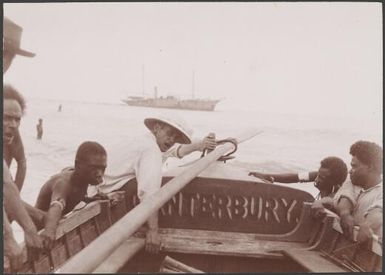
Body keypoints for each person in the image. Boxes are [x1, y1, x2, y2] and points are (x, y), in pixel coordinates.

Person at [88, 115, 217, 254]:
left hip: (94, 189)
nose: (171, 140)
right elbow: (149, 193)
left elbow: (173, 152)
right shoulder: (150, 150)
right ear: (157, 128)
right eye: (169, 134)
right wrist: (153, 231)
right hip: (95, 198)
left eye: (175, 138)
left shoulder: (145, 141)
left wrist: (199, 145)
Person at [34, 141, 119, 249]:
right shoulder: (64, 183)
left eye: (102, 168)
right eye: (94, 168)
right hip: (39, 229)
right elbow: (57, 204)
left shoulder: (81, 177)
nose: (100, 173)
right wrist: (50, 230)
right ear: (77, 165)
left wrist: (88, 199)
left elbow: (73, 194)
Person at [333, 141, 382, 243]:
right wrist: (345, 214)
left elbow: (379, 210)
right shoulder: (353, 182)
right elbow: (345, 196)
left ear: (370, 167)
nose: (350, 170)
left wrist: (368, 224)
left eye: (354, 166)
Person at [249, 156, 348, 199]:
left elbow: (328, 202)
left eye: (321, 178)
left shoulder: (337, 196)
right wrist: (268, 176)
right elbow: (295, 177)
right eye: (318, 175)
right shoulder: (321, 175)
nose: (317, 179)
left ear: (334, 183)